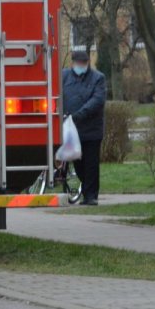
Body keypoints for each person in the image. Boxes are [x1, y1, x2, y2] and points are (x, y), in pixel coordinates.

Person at [61, 49, 107, 206]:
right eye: (78, 63)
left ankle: (91, 196)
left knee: (91, 164)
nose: (81, 65)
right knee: (78, 164)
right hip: (72, 130)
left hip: (91, 129)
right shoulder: (64, 76)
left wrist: (79, 115)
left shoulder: (98, 78)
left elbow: (97, 100)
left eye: (84, 63)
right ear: (72, 63)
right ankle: (87, 191)